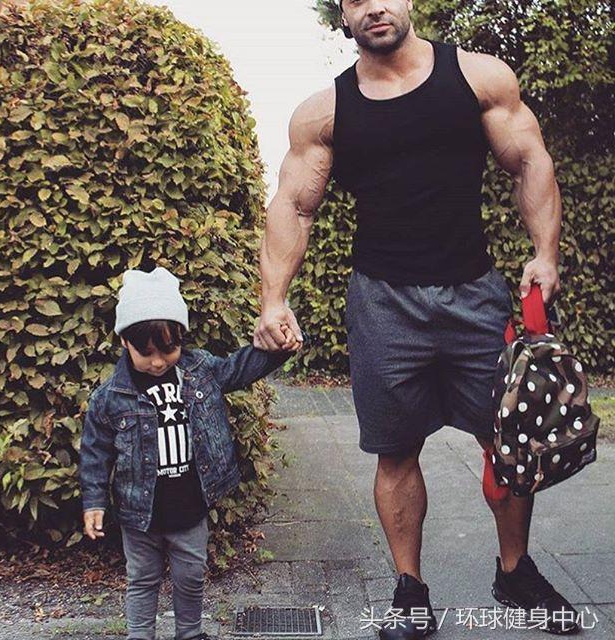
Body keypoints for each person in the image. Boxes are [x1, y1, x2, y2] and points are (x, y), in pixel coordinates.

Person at [253, 0, 577, 637]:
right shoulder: (324, 113)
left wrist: (545, 253)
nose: (374, 6)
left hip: (474, 295)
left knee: (508, 440)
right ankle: (410, 590)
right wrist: (273, 299)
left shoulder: (479, 78)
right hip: (383, 305)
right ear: (342, 14)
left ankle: (515, 572)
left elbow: (530, 161)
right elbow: (293, 204)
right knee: (396, 451)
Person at [80, 267, 300, 640]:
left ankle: (190, 632)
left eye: (168, 349)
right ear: (124, 342)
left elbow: (239, 368)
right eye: (145, 352)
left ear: (180, 337)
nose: (158, 361)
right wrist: (94, 501)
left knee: (191, 575)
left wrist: (278, 349)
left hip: (190, 506)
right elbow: (95, 452)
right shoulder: (110, 397)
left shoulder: (199, 370)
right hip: (139, 513)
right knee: (142, 578)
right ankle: (139, 634)